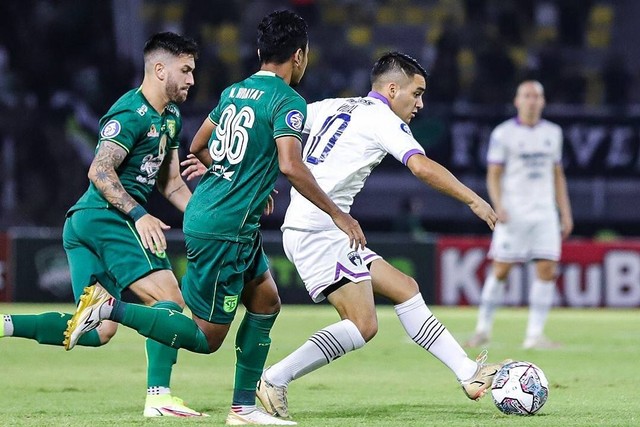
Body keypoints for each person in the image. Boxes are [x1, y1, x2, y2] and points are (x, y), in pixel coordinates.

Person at [64, 10, 366, 426]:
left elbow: (200, 146)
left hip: (227, 218)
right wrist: (338, 215)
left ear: (261, 51)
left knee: (267, 301)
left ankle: (244, 409)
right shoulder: (288, 102)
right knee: (206, 338)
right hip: (224, 227)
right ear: (299, 56)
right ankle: (108, 309)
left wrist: (235, 179)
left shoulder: (234, 92)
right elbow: (292, 166)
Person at [255, 52, 509, 421]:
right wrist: (472, 199)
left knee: (405, 288)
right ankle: (274, 379)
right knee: (363, 324)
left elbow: (269, 127)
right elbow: (420, 166)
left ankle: (468, 373)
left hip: (320, 225)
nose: (420, 103)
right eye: (416, 93)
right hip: (320, 229)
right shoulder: (383, 118)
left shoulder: (334, 106)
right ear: (392, 89)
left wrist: (231, 165)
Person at [0, 32, 206, 417]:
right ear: (160, 69)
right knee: (171, 302)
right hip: (106, 218)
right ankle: (159, 397)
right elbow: (99, 169)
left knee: (95, 330)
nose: (192, 79)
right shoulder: (131, 113)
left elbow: (173, 183)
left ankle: (4, 324)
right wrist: (139, 213)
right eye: (186, 70)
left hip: (83, 224)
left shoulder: (171, 118)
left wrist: (203, 223)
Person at [465, 80, 573, 350]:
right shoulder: (503, 134)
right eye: (527, 95)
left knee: (547, 269)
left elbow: (557, 175)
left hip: (545, 213)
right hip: (514, 212)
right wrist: (498, 204)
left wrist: (565, 212)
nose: (532, 100)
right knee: (501, 269)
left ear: (543, 101)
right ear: (517, 101)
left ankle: (534, 335)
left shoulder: (553, 133)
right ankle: (483, 329)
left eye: (537, 96)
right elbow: (494, 174)